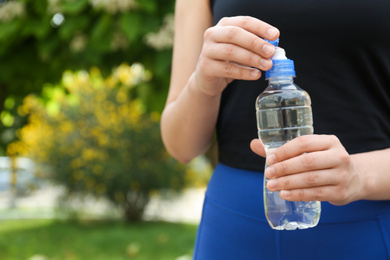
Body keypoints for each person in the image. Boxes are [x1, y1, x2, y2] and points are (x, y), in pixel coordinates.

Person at [161, 0, 390, 259]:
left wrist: (358, 174)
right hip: (234, 228)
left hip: (365, 227)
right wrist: (202, 85)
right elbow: (181, 147)